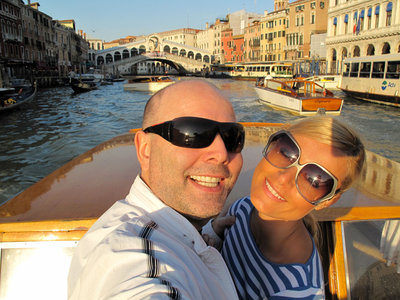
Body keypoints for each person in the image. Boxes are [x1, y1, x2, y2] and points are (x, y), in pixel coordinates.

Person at [68, 80, 245, 299]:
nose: (221, 153)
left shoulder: (169, 228)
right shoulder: (132, 258)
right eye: (193, 133)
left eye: (232, 138)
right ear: (145, 150)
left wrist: (208, 234)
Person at [204, 116, 365, 299]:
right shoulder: (244, 208)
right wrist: (214, 235)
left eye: (314, 180)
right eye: (286, 152)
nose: (282, 178)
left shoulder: (294, 291)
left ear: (327, 201)